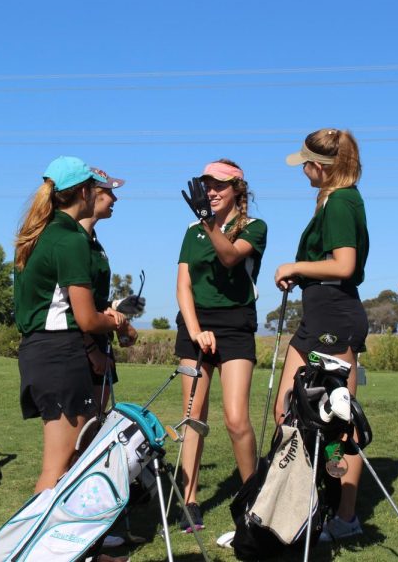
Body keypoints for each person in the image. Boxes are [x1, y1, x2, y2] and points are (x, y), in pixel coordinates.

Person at [273, 128, 369, 540]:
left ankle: (344, 516)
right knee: (287, 412)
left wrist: (294, 267)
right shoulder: (329, 202)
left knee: (339, 423)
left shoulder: (343, 202)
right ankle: (298, 505)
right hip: (317, 317)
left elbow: (344, 265)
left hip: (335, 319)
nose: (303, 171)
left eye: (306, 164)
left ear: (321, 166)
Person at [13, 156, 128, 496]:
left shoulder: (43, 233)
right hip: (60, 355)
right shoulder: (70, 238)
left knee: (70, 463)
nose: (103, 194)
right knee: (59, 468)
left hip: (44, 353)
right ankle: (29, 546)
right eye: (96, 188)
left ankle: (80, 545)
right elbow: (87, 319)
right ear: (83, 192)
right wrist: (119, 325)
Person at [175, 159, 267, 532]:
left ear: (237, 192)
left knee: (235, 419)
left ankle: (253, 498)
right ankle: (190, 499)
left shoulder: (255, 228)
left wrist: (210, 223)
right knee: (192, 417)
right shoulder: (191, 231)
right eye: (207, 185)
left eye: (219, 186)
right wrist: (195, 330)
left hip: (235, 326)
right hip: (196, 326)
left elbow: (230, 257)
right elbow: (183, 284)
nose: (211, 192)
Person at [78, 168, 144, 418]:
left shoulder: (94, 243)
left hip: (99, 342)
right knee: (80, 432)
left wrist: (116, 311)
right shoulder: (72, 242)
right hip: (79, 349)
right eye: (109, 192)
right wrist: (91, 351)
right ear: (88, 194)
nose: (115, 199)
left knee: (95, 423)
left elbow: (93, 299)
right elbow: (67, 305)